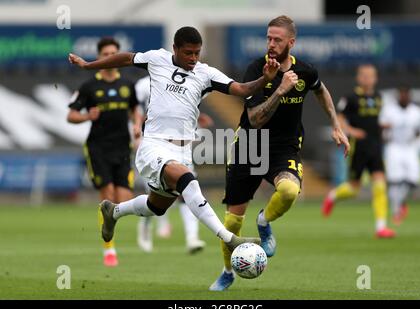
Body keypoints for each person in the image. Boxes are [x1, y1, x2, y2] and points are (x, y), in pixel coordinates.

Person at [68, 26, 282, 263]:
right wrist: (89, 65)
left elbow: (242, 89)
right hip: (153, 146)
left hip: (182, 150)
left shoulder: (206, 73)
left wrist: (265, 79)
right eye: (188, 53)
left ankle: (113, 211)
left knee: (156, 207)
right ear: (175, 48)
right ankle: (229, 238)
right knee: (188, 180)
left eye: (197, 53)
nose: (193, 58)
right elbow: (127, 58)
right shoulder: (157, 59)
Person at [209, 15, 350, 291]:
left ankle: (264, 221)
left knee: (288, 192)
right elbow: (256, 118)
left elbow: (321, 90)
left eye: (277, 40)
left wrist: (336, 125)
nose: (271, 45)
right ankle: (227, 271)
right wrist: (280, 89)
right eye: (268, 38)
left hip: (284, 146)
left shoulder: (305, 71)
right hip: (250, 144)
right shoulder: (256, 69)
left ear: (291, 43)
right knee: (232, 222)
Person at [67, 37, 141, 267]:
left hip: (122, 147)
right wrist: (87, 116)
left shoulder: (127, 84)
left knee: (124, 200)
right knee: (107, 195)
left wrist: (137, 124)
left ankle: (113, 230)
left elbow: (134, 109)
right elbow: (71, 115)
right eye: (105, 54)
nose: (109, 58)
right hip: (98, 148)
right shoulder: (89, 86)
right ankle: (109, 249)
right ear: (99, 57)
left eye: (113, 54)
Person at [134, 76, 210, 254]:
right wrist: (137, 129)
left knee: (187, 189)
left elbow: (181, 110)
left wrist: (198, 120)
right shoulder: (143, 85)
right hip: (152, 141)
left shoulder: (180, 81)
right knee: (155, 195)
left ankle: (192, 238)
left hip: (180, 142)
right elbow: (136, 109)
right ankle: (145, 227)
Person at [321, 64, 396, 238]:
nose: (368, 78)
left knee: (379, 186)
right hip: (358, 148)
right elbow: (339, 119)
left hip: (376, 147)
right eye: (364, 75)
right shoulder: (350, 98)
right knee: (354, 189)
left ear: (376, 78)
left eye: (371, 75)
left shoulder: (378, 97)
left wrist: (383, 126)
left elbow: (375, 120)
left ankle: (381, 227)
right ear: (358, 78)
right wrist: (352, 131)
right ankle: (332, 196)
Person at [379, 87, 420, 225]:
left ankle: (401, 202)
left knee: (414, 180)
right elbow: (380, 126)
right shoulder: (389, 110)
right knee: (395, 181)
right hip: (394, 147)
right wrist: (385, 134)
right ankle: (396, 211)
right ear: (398, 96)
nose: (404, 97)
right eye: (401, 95)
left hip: (409, 147)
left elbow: (419, 130)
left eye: (406, 95)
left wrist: (413, 137)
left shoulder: (416, 112)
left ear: (409, 96)